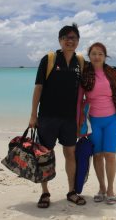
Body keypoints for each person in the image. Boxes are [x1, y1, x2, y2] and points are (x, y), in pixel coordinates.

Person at [29, 23, 86, 208]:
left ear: (78, 41)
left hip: (70, 118)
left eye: (74, 38)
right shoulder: (50, 59)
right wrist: (33, 115)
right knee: (45, 154)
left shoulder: (80, 62)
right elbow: (38, 87)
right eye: (66, 37)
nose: (70, 41)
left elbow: (92, 79)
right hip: (48, 116)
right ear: (60, 40)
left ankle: (71, 191)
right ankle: (45, 193)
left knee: (70, 153)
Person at [81, 42, 116, 205]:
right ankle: (101, 188)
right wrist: (80, 122)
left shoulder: (113, 74)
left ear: (105, 56)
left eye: (100, 54)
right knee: (98, 155)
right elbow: (80, 99)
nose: (97, 56)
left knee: (110, 155)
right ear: (89, 56)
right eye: (94, 53)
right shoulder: (85, 75)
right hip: (94, 122)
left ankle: (111, 189)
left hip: (112, 120)